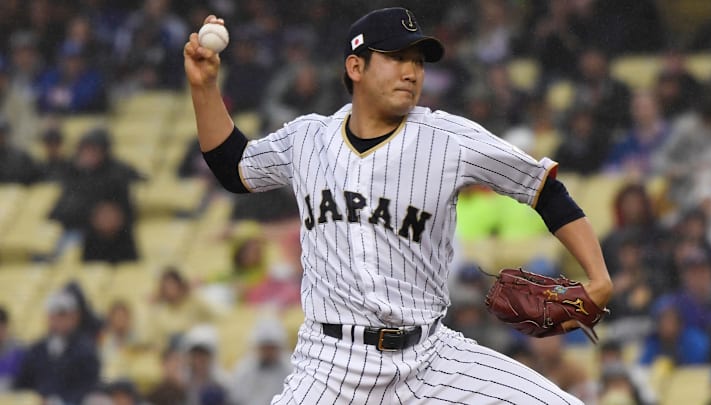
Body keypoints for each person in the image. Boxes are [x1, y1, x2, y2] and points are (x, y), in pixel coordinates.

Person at [184, 8, 612, 404]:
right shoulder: (307, 139)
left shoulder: (449, 139)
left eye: (419, 61)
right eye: (397, 58)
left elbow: (544, 190)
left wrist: (598, 277)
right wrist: (205, 88)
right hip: (329, 365)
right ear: (356, 66)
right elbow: (234, 167)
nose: (412, 72)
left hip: (431, 358)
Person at [14, 290, 100, 404]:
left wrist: (60, 401)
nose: (58, 320)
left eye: (63, 315)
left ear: (74, 317)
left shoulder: (86, 350)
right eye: (54, 315)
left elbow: (89, 385)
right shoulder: (37, 349)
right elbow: (24, 382)